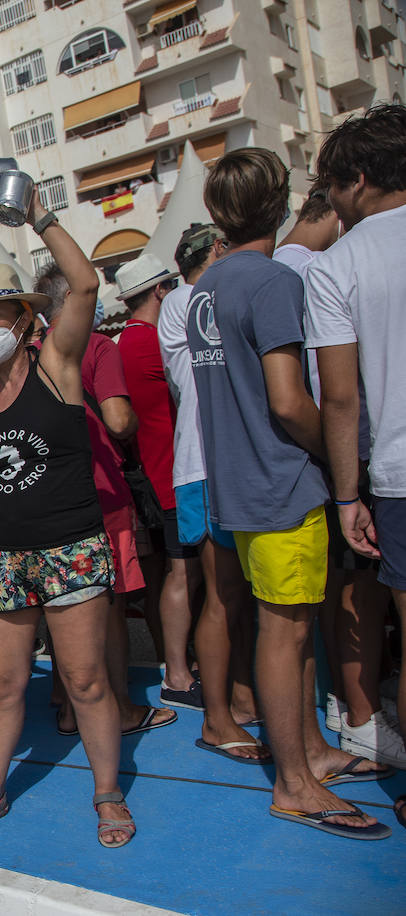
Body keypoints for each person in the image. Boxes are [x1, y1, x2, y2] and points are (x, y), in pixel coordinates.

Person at [190, 147, 387, 839]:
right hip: (282, 485)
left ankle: (309, 754)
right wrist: (345, 459)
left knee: (288, 630)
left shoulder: (205, 289)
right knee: (288, 633)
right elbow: (287, 400)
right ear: (278, 207)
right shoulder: (271, 282)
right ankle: (294, 782)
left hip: (241, 486)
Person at [0, 191, 135, 847]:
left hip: (71, 547)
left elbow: (84, 282)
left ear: (23, 320)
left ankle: (107, 792)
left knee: (84, 679)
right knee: (1, 685)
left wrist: (39, 216)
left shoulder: (57, 366)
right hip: (2, 556)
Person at [304, 103, 406, 776]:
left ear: (359, 181)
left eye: (334, 189)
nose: (333, 204)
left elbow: (339, 397)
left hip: (398, 475)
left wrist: (347, 497)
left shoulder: (336, 265)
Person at [34, 263, 172, 741]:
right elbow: (117, 420)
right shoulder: (98, 347)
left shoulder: (31, 354)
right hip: (101, 492)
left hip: (51, 498)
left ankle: (65, 700)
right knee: (107, 605)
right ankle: (121, 707)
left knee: (63, 603)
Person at [158, 223, 266, 761]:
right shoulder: (185, 299)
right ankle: (219, 716)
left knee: (238, 594)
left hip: (223, 458)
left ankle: (241, 698)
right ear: (218, 252)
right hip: (206, 459)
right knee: (223, 594)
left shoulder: (190, 298)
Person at [115, 254, 203, 709]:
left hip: (150, 479)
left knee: (170, 577)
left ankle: (178, 665)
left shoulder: (122, 343)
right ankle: (179, 670)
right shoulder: (150, 342)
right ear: (161, 292)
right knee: (184, 575)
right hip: (172, 477)